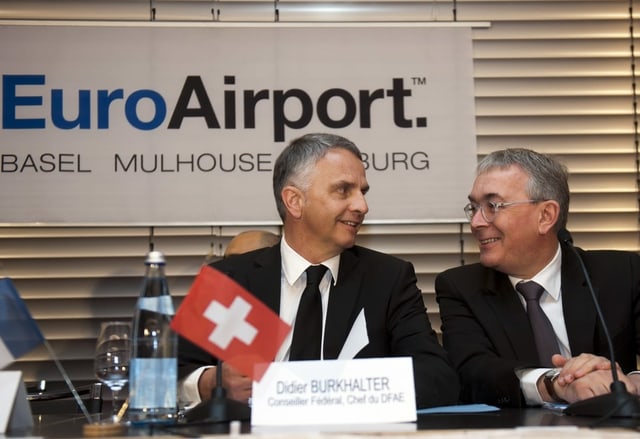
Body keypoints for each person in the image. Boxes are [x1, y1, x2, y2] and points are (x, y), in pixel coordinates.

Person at [178, 132, 460, 409]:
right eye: (343, 190)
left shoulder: (387, 279)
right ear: (295, 201)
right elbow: (161, 378)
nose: (362, 205)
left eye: (362, 192)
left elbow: (436, 378)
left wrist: (336, 390)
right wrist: (210, 382)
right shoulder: (231, 279)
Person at [435, 148, 640, 408]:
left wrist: (627, 382)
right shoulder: (461, 287)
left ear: (546, 216)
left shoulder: (622, 273)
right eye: (474, 207)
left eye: (492, 206)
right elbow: (473, 374)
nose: (475, 222)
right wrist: (556, 384)